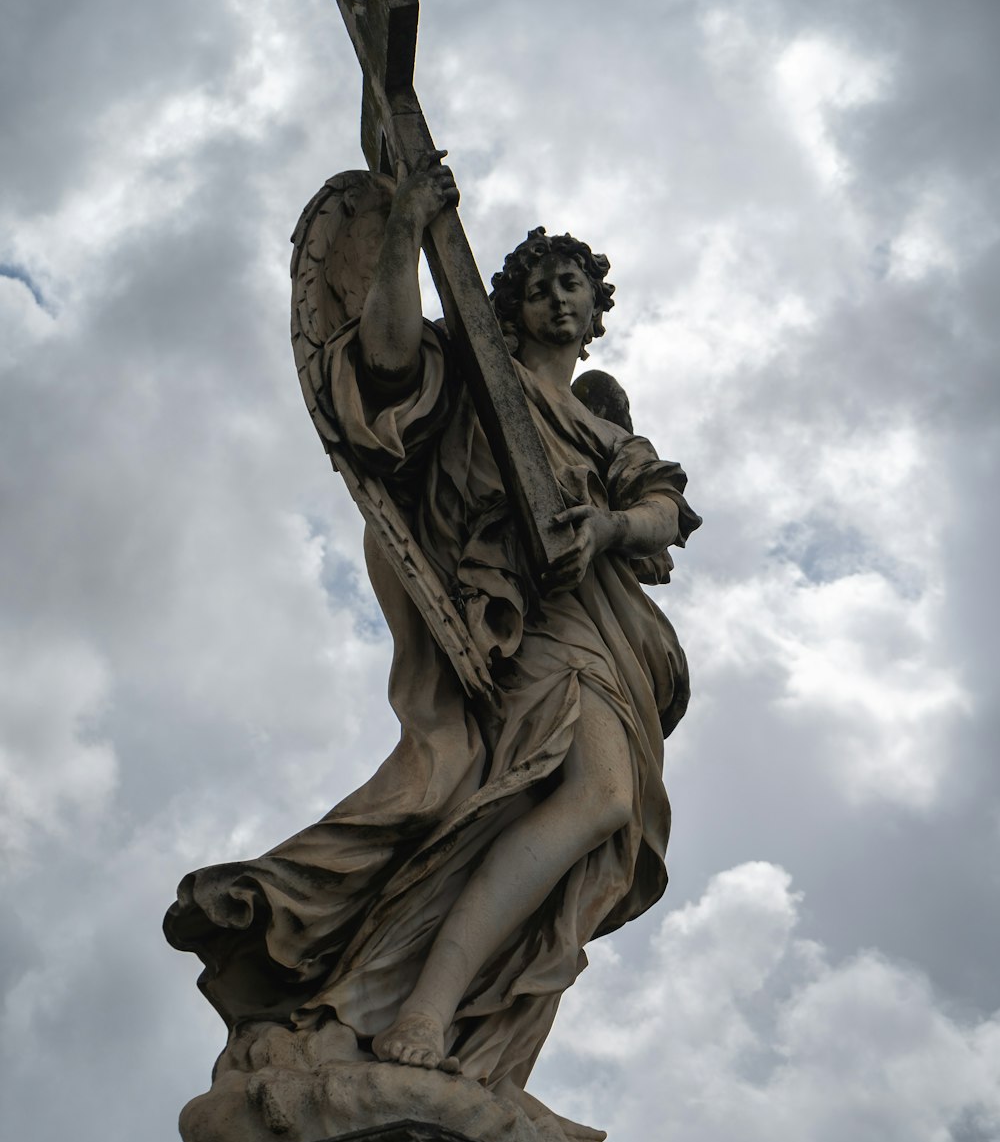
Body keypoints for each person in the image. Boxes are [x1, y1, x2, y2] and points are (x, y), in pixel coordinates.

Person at [164, 153, 701, 1091]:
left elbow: (663, 513)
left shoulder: (611, 430)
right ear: (512, 305)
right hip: (513, 613)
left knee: (559, 809)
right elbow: (382, 361)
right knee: (597, 796)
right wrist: (407, 228)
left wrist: (612, 524)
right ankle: (421, 1006)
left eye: (573, 284)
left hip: (601, 624)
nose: (557, 300)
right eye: (537, 287)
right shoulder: (473, 367)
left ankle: (433, 1009)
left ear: (597, 305)